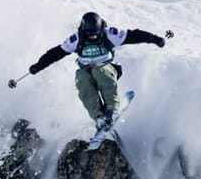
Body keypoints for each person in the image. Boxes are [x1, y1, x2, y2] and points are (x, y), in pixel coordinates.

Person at [26, 12, 167, 129]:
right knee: (82, 79)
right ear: (84, 30)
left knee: (99, 70)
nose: (93, 36)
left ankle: (111, 109)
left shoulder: (109, 34)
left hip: (108, 68)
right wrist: (38, 66)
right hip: (86, 71)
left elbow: (134, 35)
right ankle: (98, 116)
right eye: (90, 33)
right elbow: (55, 53)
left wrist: (155, 39)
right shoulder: (76, 39)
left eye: (96, 33)